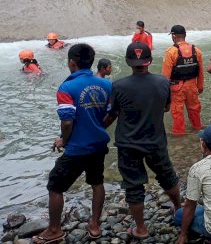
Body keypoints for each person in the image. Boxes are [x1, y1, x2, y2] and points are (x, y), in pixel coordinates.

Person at [33, 44, 111, 244]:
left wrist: (63, 140)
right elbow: (113, 112)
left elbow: (67, 121)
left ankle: (54, 229)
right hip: (98, 145)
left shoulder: (66, 87)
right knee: (97, 182)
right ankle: (94, 225)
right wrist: (99, 127)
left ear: (71, 63)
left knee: (55, 185)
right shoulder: (106, 85)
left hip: (77, 148)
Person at [105, 42, 181, 240]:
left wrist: (96, 128)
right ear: (150, 61)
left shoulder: (118, 86)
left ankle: (141, 228)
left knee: (133, 186)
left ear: (129, 62)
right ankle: (179, 209)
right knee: (167, 176)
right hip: (156, 141)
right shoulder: (164, 82)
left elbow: (112, 115)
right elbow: (166, 108)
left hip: (128, 144)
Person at [162, 25, 204, 135]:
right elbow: (200, 71)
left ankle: (179, 137)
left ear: (173, 36)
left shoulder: (170, 52)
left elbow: (165, 77)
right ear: (185, 35)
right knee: (195, 110)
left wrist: (164, 94)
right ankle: (198, 130)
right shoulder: (197, 51)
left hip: (176, 88)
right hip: (192, 85)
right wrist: (200, 86)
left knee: (177, 113)